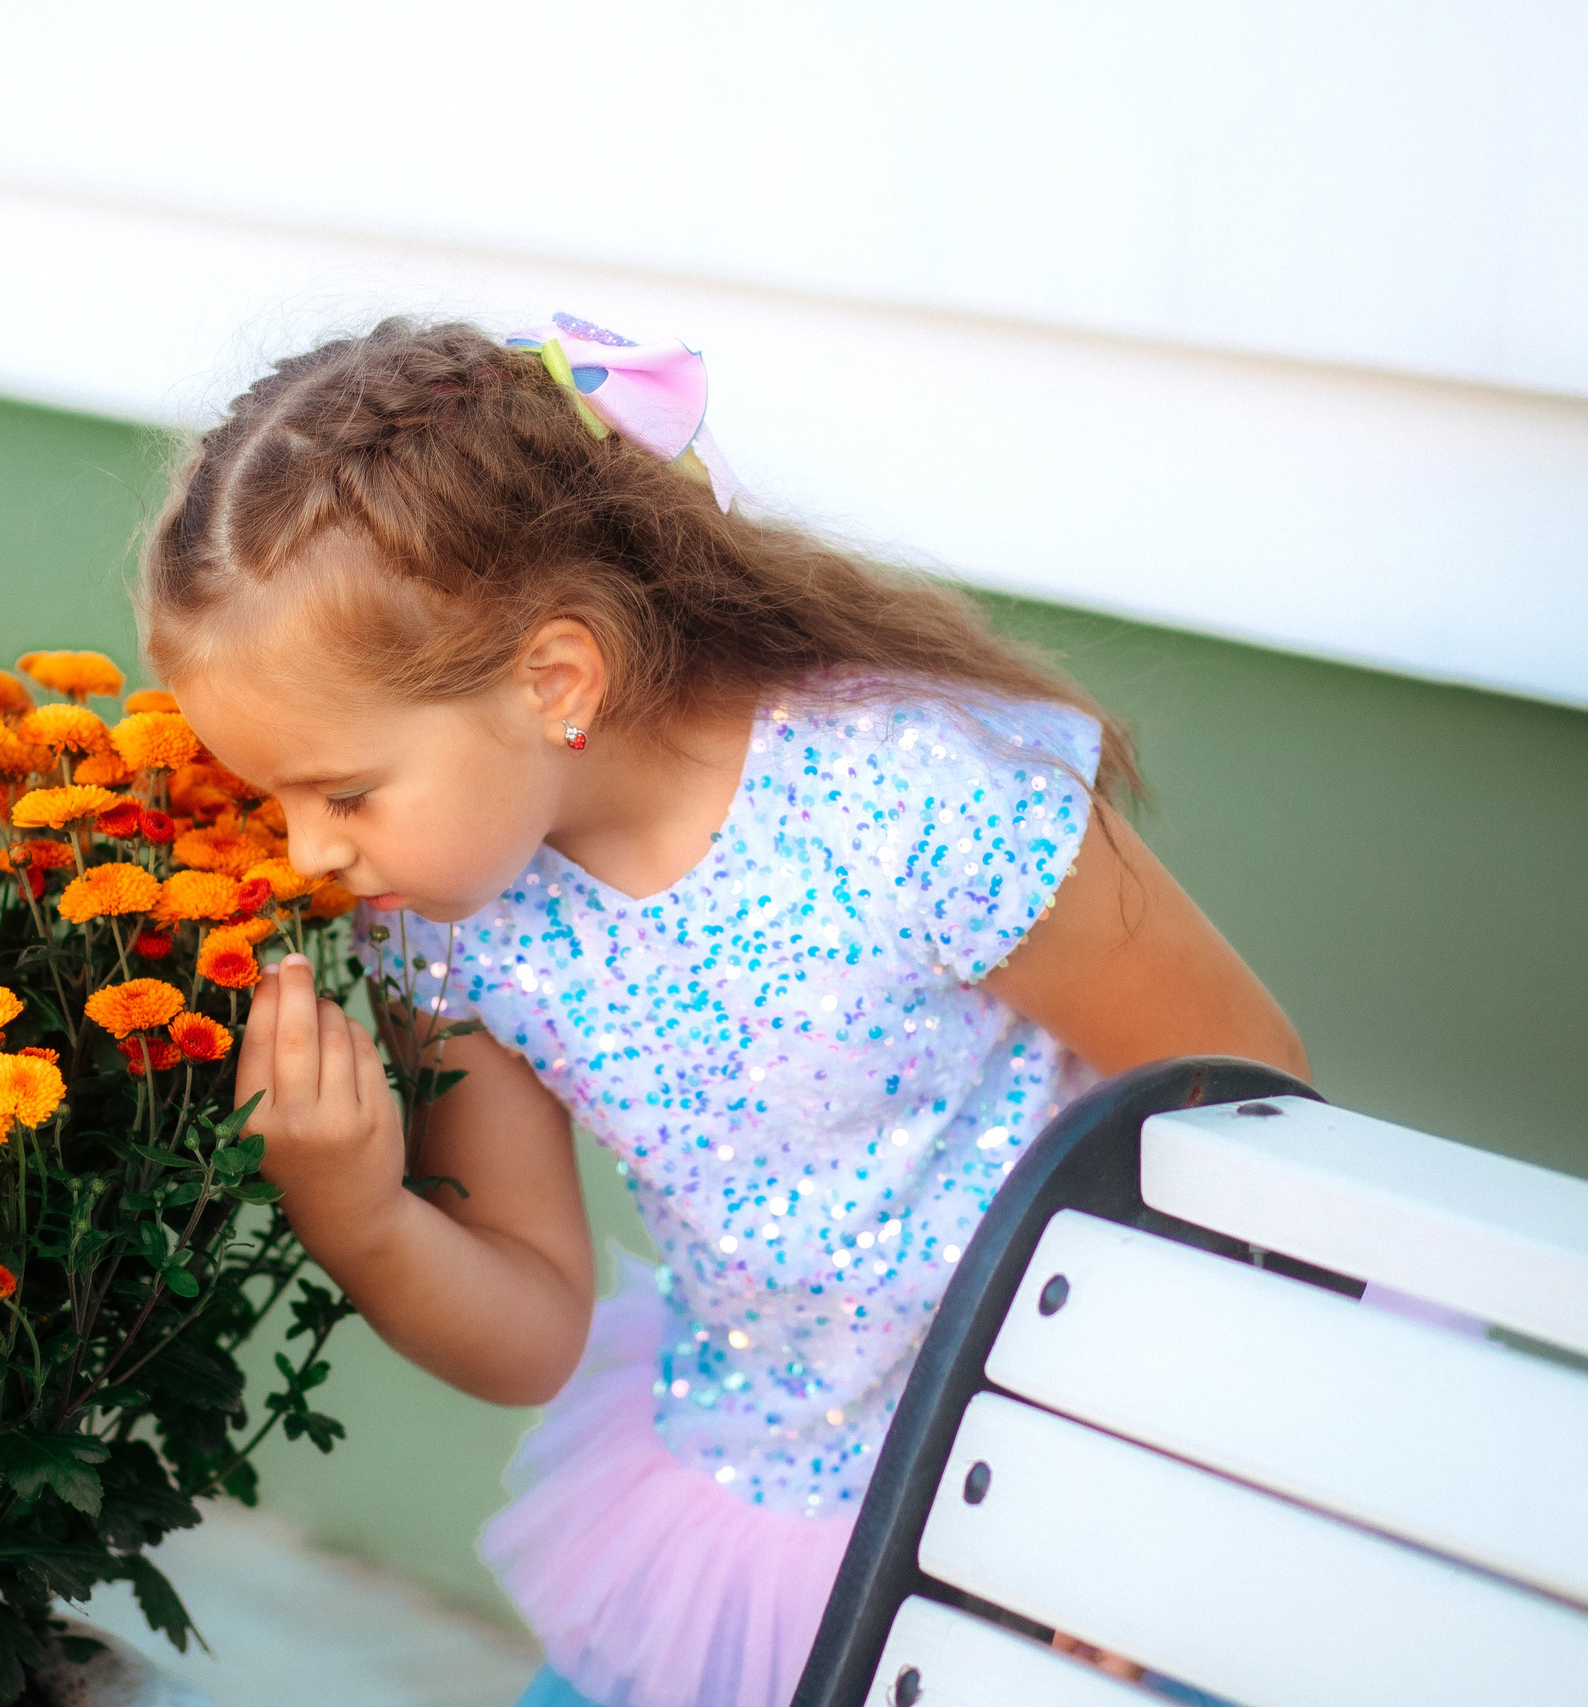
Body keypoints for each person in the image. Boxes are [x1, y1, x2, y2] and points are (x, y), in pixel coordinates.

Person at [140, 316, 1307, 1707]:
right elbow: (533, 1327)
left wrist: (1145, 1515)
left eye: (341, 792)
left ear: (554, 679)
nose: (303, 853)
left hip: (1078, 1465)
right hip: (762, 1508)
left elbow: (1244, 1109)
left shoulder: (914, 797)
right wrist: (359, 1211)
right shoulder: (449, 923)